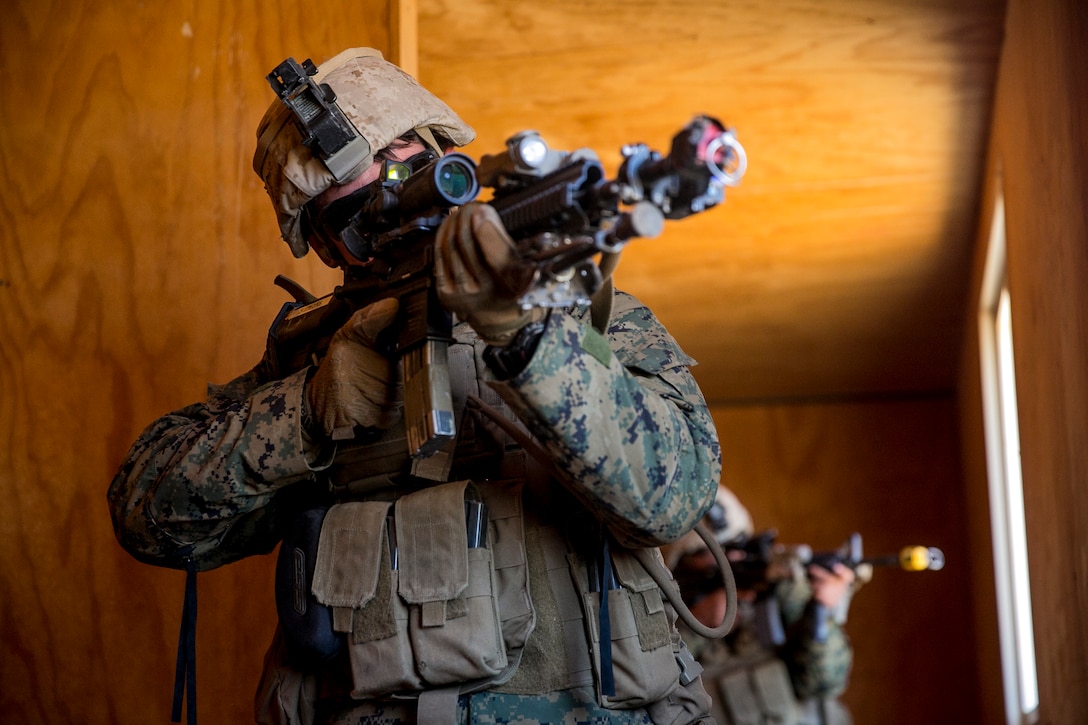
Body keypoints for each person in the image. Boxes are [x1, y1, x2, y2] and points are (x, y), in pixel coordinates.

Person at [107, 47, 723, 724]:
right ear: (324, 247)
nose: (396, 205)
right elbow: (147, 515)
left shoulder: (582, 315)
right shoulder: (315, 353)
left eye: (408, 172)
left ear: (446, 163)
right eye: (355, 214)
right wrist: (304, 413)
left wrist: (531, 341)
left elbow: (678, 496)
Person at [663, 487, 858, 725]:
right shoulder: (663, 610)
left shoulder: (777, 591)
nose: (729, 560)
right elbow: (650, 689)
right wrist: (695, 626)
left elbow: (823, 684)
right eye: (708, 552)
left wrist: (820, 612)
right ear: (679, 563)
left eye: (737, 546)